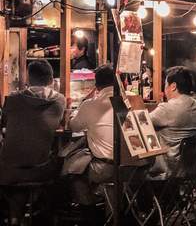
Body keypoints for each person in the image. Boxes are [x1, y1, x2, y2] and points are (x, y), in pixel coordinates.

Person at [0, 60, 65, 224]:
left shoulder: (13, 99)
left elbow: (4, 122)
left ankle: (15, 217)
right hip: (41, 170)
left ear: (28, 79)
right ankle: (44, 216)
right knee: (57, 162)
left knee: (18, 165)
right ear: (51, 80)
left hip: (8, 171)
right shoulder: (59, 101)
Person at [68, 65, 115, 204]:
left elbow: (73, 126)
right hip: (133, 167)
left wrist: (75, 112)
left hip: (106, 168)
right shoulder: (131, 99)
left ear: (97, 85)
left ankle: (89, 208)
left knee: (73, 170)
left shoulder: (90, 104)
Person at [149, 66, 196, 178]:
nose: (165, 89)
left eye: (165, 85)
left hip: (168, 167)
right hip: (189, 166)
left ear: (173, 86)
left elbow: (141, 123)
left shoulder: (167, 108)